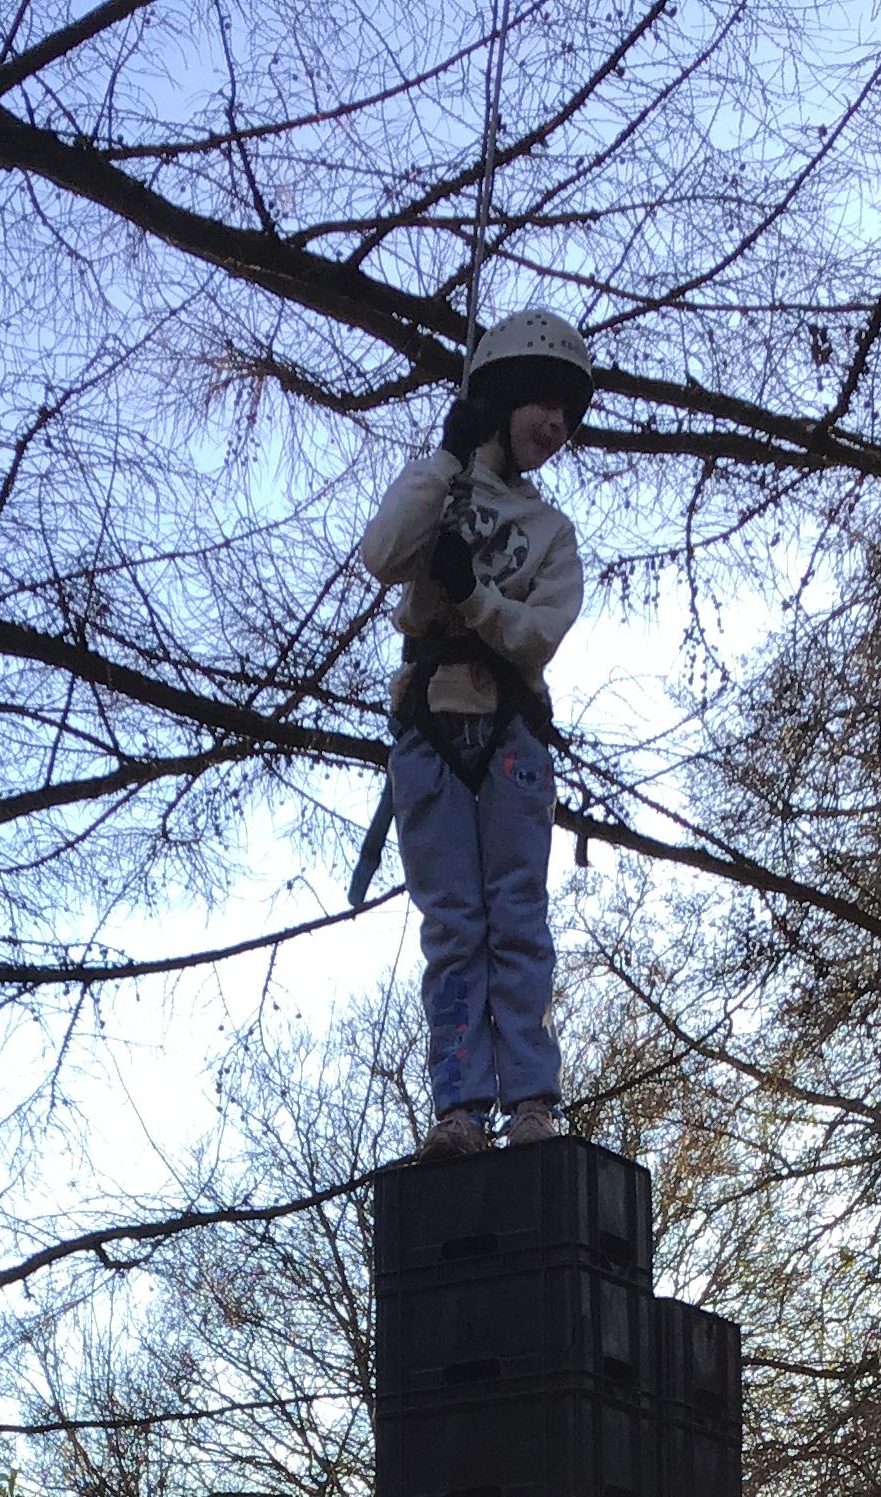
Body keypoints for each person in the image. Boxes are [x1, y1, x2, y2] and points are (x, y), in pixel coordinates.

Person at [357, 307, 593, 1163]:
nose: (556, 428)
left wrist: (473, 596)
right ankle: (459, 1107)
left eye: (567, 416)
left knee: (516, 916)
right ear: (503, 396)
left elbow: (537, 634)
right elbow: (382, 555)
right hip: (430, 725)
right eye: (544, 405)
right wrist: (446, 462)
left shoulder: (551, 534)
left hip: (511, 732)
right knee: (453, 923)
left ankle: (530, 1099)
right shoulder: (441, 487)